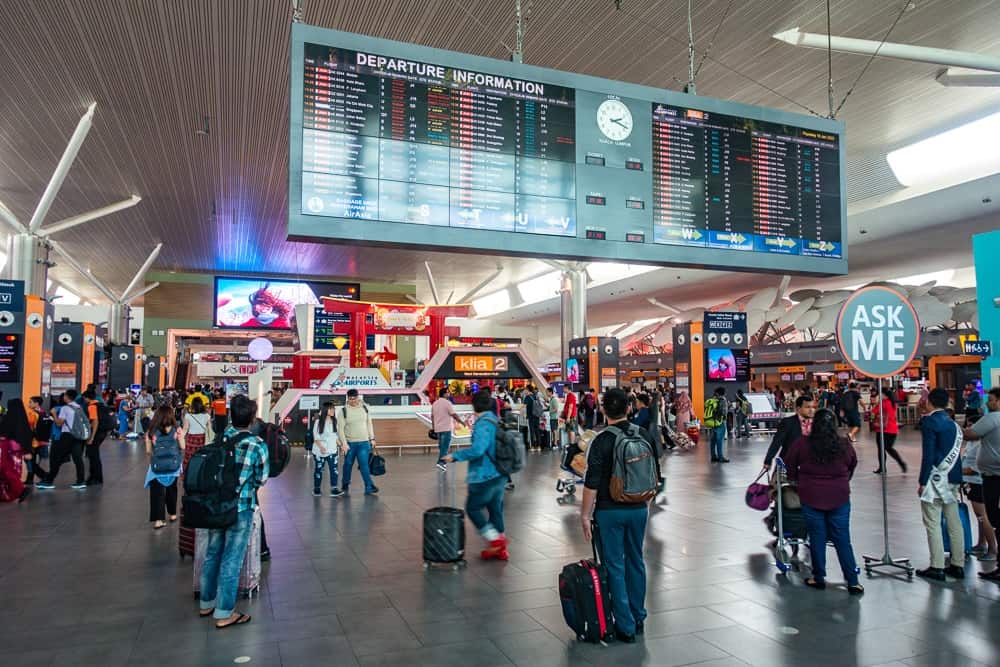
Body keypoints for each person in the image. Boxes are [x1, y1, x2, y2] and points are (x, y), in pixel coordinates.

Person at [580, 388, 657, 642]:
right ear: (629, 408)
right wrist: (646, 504)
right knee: (636, 561)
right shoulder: (643, 434)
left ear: (603, 410)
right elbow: (654, 473)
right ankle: (639, 617)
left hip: (609, 511)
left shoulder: (600, 440)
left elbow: (591, 482)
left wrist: (584, 515)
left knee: (614, 564)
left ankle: (624, 625)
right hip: (638, 508)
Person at [198, 394, 268, 628]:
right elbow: (262, 477)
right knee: (232, 559)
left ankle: (206, 602)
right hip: (241, 506)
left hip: (215, 505)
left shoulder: (221, 436)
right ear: (251, 420)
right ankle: (224, 612)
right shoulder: (256, 444)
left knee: (213, 553)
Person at [783, 408, 864, 594]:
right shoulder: (844, 444)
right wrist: (843, 479)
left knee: (817, 537)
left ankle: (818, 577)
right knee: (842, 538)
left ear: (814, 424)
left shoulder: (803, 444)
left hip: (811, 496)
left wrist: (798, 482)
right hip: (840, 496)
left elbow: (789, 464)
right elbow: (852, 463)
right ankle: (853, 581)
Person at [442, 388, 507, 560]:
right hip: (499, 473)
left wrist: (455, 456)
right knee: (495, 510)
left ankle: (495, 541)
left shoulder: (483, 424)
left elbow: (478, 450)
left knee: (472, 508)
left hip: (484, 475)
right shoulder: (495, 420)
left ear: (474, 406)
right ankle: (501, 548)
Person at [916, 388, 966, 581]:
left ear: (930, 402)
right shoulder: (953, 424)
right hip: (952, 477)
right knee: (954, 522)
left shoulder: (929, 422)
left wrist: (922, 481)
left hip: (936, 479)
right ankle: (958, 564)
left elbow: (928, 454)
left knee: (932, 522)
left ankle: (937, 565)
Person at [963, 387, 1000, 580]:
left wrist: (953, 428)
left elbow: (970, 434)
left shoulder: (992, 418)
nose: (988, 403)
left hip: (992, 477)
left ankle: (995, 553)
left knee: (993, 517)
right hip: (992, 474)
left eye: (992, 400)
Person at [144, 404, 185, 530]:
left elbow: (148, 451)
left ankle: (158, 520)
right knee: (172, 490)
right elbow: (183, 447)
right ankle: (172, 514)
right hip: (173, 466)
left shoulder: (151, 432)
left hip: (157, 466)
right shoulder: (176, 430)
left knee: (157, 493)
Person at [37, 390, 87, 490]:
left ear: (67, 397)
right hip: (78, 435)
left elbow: (59, 423)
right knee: (77, 458)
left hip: (67, 435)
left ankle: (49, 481)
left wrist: (54, 414)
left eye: (65, 395)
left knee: (56, 457)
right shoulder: (78, 407)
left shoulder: (65, 408)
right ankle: (81, 481)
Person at [961, 433, 997, 563]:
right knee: (979, 517)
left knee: (983, 516)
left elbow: (975, 468)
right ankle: (981, 543)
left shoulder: (981, 445)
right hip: (972, 483)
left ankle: (992, 549)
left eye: (971, 426)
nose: (969, 430)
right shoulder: (972, 443)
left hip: (978, 483)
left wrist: (957, 472)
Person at [338, 389, 378, 495]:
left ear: (358, 397)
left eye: (354, 398)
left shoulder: (365, 408)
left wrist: (372, 438)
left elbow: (369, 424)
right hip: (350, 443)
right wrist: (344, 444)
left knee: (364, 464)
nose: (352, 400)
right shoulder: (343, 411)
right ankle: (345, 484)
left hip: (364, 442)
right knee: (348, 464)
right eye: (350, 398)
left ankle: (369, 486)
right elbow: (340, 429)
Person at [763, 394, 815, 470]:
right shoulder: (787, 423)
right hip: (789, 463)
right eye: (807, 407)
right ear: (798, 408)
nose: (811, 410)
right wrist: (768, 460)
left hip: (811, 464)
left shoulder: (818, 423)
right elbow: (776, 442)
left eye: (813, 407)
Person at [1, 398, 35, 501]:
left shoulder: (8, 418)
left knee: (6, 471)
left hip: (6, 448)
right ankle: (15, 491)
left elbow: (3, 433)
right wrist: (28, 450)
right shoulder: (23, 419)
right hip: (17, 451)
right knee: (13, 471)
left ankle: (20, 490)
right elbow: (27, 436)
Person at [311, 401, 344, 497]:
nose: (333, 410)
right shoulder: (318, 422)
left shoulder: (334, 421)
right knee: (319, 469)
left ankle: (334, 489)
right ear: (326, 410)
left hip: (332, 450)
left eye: (333, 408)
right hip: (319, 450)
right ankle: (317, 488)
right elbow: (316, 437)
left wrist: (341, 446)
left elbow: (335, 436)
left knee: (334, 470)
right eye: (331, 409)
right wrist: (321, 447)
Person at [872, 386, 907, 474]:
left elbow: (873, 412)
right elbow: (891, 416)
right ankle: (899, 463)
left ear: (884, 394)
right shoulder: (892, 403)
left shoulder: (883, 403)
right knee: (888, 448)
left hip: (883, 429)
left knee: (882, 449)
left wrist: (873, 418)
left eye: (880, 393)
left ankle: (883, 467)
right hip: (891, 430)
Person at [432, 387, 466, 471]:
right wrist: (461, 422)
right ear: (444, 394)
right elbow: (453, 414)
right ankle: (441, 463)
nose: (449, 394)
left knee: (442, 446)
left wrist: (433, 427)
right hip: (446, 428)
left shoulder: (435, 403)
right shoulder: (447, 403)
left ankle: (441, 463)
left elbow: (432, 416)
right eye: (448, 392)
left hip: (438, 428)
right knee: (445, 447)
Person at [81, 388, 107, 486]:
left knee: (93, 456)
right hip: (102, 432)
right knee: (94, 455)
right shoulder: (100, 404)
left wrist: (91, 437)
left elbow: (95, 421)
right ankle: (96, 477)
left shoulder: (92, 406)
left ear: (87, 398)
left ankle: (95, 477)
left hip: (96, 433)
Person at [24, 396, 49, 486]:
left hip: (34, 442)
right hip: (43, 441)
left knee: (29, 461)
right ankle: (30, 479)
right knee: (33, 461)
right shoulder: (44, 413)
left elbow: (29, 429)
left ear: (36, 403)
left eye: (30, 402)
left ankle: (44, 476)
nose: (29, 404)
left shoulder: (33, 414)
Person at [704, 387, 729, 463]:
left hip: (712, 422)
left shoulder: (711, 400)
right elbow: (723, 412)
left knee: (713, 440)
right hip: (720, 422)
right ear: (723, 393)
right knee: (719, 440)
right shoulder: (722, 400)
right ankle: (721, 457)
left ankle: (713, 456)